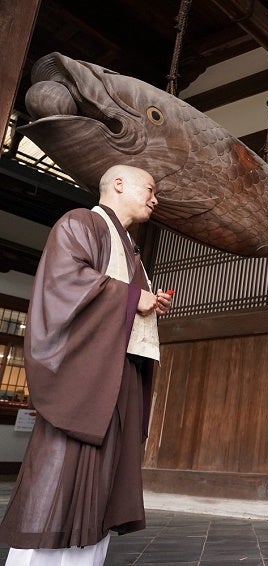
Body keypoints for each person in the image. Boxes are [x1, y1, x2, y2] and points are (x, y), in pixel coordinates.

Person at [0, 164, 173, 565]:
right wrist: (133, 297)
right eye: (149, 189)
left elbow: (122, 299)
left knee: (104, 479)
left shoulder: (129, 245)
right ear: (119, 184)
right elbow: (63, 282)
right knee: (59, 473)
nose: (155, 199)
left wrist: (146, 301)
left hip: (118, 373)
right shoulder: (82, 223)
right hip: (84, 378)